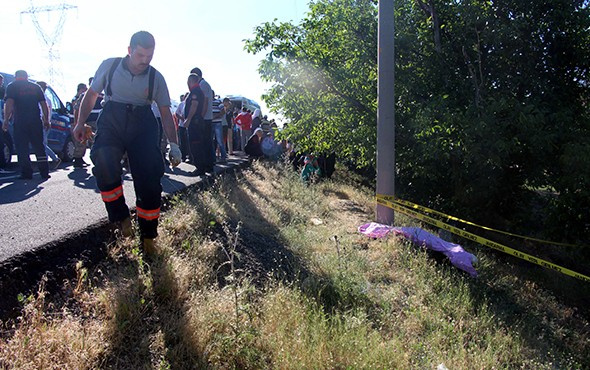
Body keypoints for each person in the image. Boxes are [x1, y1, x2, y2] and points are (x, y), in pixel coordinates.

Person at [73, 31, 181, 255]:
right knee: (103, 162)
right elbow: (92, 94)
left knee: (150, 179)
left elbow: (165, 111)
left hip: (143, 125)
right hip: (112, 118)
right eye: (140, 55)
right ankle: (121, 217)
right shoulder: (110, 67)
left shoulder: (156, 78)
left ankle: (148, 237)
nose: (145, 61)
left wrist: (174, 143)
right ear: (129, 50)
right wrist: (80, 123)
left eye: (149, 56)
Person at [2, 70, 50, 180]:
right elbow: (44, 104)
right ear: (26, 77)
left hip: (20, 121)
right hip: (35, 121)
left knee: (22, 147)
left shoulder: (12, 86)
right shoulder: (36, 87)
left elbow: (9, 103)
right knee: (39, 146)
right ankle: (44, 172)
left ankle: (26, 173)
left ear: (16, 77)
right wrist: (46, 120)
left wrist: (6, 119)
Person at [190, 67, 215, 173]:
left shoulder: (202, 85)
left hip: (204, 118)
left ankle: (205, 166)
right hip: (206, 118)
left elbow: (204, 102)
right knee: (207, 142)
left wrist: (200, 117)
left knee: (203, 143)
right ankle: (208, 165)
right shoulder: (205, 84)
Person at [72, 82, 102, 168]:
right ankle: (78, 159)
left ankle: (98, 160)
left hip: (98, 121)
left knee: (96, 141)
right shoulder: (85, 95)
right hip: (88, 122)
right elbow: (77, 109)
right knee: (83, 140)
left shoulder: (104, 95)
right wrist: (77, 123)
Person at [184, 73, 206, 176]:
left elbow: (194, 105)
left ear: (191, 81)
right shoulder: (199, 91)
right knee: (197, 144)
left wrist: (188, 119)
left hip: (194, 123)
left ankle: (200, 168)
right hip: (197, 121)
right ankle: (200, 167)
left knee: (195, 145)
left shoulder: (195, 92)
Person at [36, 81, 60, 169]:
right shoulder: (48, 99)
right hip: (47, 122)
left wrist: (44, 120)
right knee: (43, 143)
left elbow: (42, 110)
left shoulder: (41, 98)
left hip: (42, 122)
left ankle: (50, 160)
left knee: (42, 143)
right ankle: (48, 161)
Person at [175, 93, 191, 162]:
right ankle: (183, 156)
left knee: (189, 142)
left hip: (189, 125)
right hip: (182, 125)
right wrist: (182, 118)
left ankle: (190, 156)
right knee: (182, 141)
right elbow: (176, 113)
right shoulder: (181, 104)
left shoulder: (191, 104)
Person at [211, 95, 227, 163]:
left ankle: (223, 157)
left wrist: (215, 116)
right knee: (210, 140)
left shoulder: (218, 102)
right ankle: (212, 157)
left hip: (217, 123)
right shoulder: (207, 102)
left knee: (220, 141)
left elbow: (223, 111)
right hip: (210, 123)